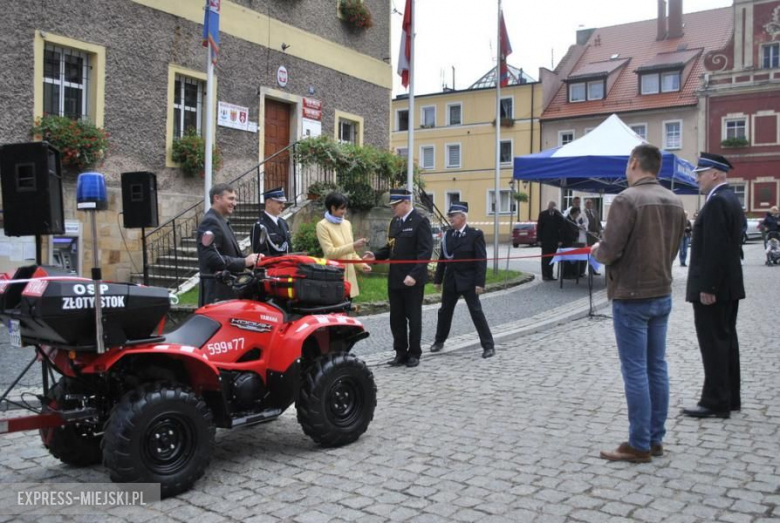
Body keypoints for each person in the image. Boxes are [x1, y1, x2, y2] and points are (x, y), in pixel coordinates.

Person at [591, 144, 686, 463]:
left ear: (634, 163)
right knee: (656, 367)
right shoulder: (674, 200)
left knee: (635, 370)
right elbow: (673, 249)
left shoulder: (626, 199)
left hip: (631, 295)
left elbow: (610, 249)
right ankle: (654, 439)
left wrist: (596, 251)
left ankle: (639, 444)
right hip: (661, 292)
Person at [682, 152, 746, 419]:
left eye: (700, 174)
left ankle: (715, 401)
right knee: (726, 341)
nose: (697, 179)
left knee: (714, 344)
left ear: (715, 174)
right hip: (728, 285)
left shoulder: (718, 202)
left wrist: (708, 287)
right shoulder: (729, 199)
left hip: (715, 288)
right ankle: (729, 397)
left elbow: (716, 249)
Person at [363, 189, 433, 368]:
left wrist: (414, 275)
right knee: (396, 318)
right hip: (395, 278)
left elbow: (425, 253)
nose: (393, 208)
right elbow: (390, 247)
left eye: (395, 205)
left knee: (413, 317)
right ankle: (400, 352)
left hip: (412, 279)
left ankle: (414, 353)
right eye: (392, 205)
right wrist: (376, 256)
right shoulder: (395, 222)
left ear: (405, 202)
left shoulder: (420, 221)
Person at [429, 202, 495, 359]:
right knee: (444, 311)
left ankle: (488, 345)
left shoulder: (475, 234)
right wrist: (438, 280)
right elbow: (443, 259)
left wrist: (480, 283)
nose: (450, 219)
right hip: (451, 281)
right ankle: (439, 341)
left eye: (453, 216)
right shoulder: (448, 235)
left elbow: (481, 260)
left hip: (469, 281)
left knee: (476, 312)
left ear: (462, 217)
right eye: (449, 216)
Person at [197, 183, 262, 306]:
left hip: (227, 292)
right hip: (218, 294)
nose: (235, 203)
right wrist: (244, 262)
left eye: (235, 199)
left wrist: (253, 260)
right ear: (217, 198)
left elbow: (231, 253)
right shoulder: (211, 222)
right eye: (231, 199)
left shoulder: (222, 221)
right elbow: (211, 259)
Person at [315, 192, 371, 298]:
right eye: (341, 208)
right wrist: (352, 246)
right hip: (333, 277)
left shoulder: (347, 224)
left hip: (350, 281)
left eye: (345, 208)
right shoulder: (322, 225)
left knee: (347, 312)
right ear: (332, 208)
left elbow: (352, 253)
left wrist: (362, 265)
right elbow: (330, 253)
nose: (344, 211)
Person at [251, 187, 291, 257]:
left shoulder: (283, 223)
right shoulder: (259, 226)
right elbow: (260, 256)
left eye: (283, 203)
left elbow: (289, 249)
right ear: (268, 203)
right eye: (279, 202)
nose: (283, 206)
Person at [536, 201, 563, 281]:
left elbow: (560, 228)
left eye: (553, 206)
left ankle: (550, 275)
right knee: (545, 259)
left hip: (554, 240)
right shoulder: (543, 214)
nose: (551, 207)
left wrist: (560, 240)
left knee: (552, 258)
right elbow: (539, 228)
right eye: (550, 206)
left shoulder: (557, 215)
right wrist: (539, 239)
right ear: (548, 206)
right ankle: (545, 275)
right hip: (545, 240)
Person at [560, 207, 583, 279]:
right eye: (577, 214)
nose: (578, 215)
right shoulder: (567, 219)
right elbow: (563, 231)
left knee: (572, 258)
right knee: (567, 259)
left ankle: (572, 272)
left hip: (572, 241)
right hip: (566, 241)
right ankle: (566, 274)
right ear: (574, 213)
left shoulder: (574, 220)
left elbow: (575, 229)